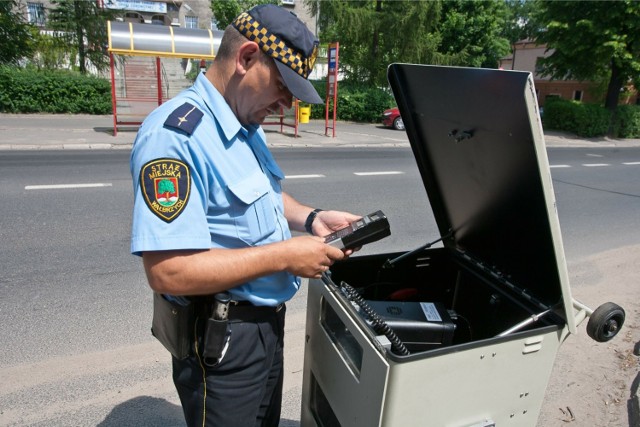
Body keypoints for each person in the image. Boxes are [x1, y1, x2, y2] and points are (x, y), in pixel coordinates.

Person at [129, 4, 361, 426]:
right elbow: (169, 272)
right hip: (222, 344)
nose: (287, 104)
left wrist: (312, 218)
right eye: (283, 86)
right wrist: (286, 257)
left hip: (264, 330)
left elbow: (262, 196)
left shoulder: (241, 123)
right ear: (247, 57)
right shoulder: (174, 137)